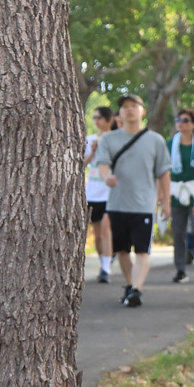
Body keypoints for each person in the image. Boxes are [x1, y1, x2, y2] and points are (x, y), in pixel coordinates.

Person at [93, 95, 172, 308]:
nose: (129, 110)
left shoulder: (155, 140)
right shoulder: (108, 140)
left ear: (142, 111)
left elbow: (164, 172)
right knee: (122, 251)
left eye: (134, 106)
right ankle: (129, 285)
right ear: (119, 114)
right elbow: (102, 164)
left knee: (143, 251)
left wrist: (166, 202)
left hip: (144, 205)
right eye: (125, 107)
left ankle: (137, 289)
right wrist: (106, 177)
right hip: (117, 203)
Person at [166, 109, 194, 282]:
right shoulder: (170, 143)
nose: (180, 123)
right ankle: (180, 269)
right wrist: (163, 195)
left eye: (185, 120)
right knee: (178, 232)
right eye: (178, 119)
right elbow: (164, 170)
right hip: (177, 191)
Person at [85, 105, 115, 284]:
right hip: (92, 192)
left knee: (105, 230)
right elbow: (82, 164)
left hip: (110, 192)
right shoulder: (89, 140)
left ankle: (106, 269)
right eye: (94, 118)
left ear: (109, 120)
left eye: (99, 118)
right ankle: (104, 261)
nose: (96, 121)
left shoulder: (116, 139)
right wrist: (93, 151)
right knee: (97, 234)